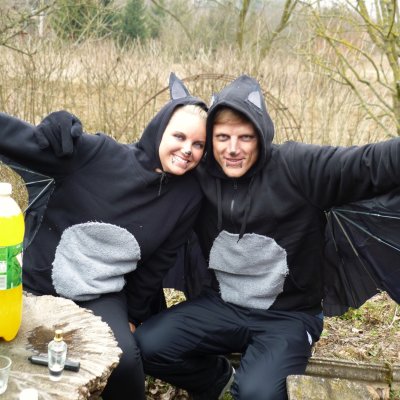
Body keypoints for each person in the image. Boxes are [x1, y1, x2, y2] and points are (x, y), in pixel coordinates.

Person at [134, 74, 400, 400]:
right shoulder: (198, 175)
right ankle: (218, 382)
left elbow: (369, 164)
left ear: (261, 135)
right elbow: (141, 162)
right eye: (222, 137)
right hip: (220, 306)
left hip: (289, 316)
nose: (233, 149)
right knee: (148, 346)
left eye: (245, 137)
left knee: (257, 393)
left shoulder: (297, 168)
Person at [0, 73, 207, 400]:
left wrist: (133, 316)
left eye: (198, 145)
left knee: (125, 360)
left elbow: (158, 263)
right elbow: (20, 139)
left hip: (101, 293)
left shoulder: (188, 195)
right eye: (179, 136)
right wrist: (54, 127)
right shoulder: (98, 154)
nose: (187, 150)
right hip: (36, 282)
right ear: (159, 130)